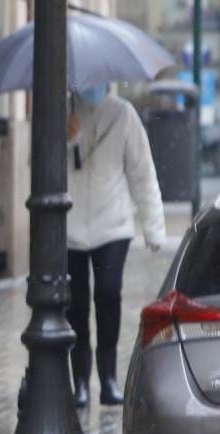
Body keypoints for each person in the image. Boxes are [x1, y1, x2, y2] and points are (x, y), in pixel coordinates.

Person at [66, 83, 165, 407]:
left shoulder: (123, 114)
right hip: (71, 225)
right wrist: (67, 140)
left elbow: (142, 172)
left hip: (113, 226)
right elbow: (32, 162)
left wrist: (154, 228)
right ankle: (80, 379)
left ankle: (108, 378)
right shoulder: (63, 112)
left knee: (108, 295)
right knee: (75, 305)